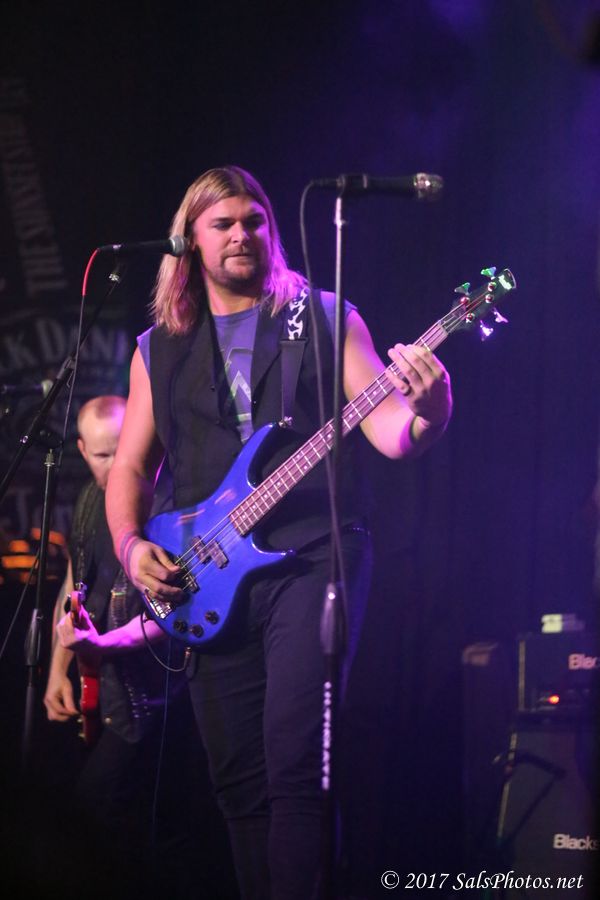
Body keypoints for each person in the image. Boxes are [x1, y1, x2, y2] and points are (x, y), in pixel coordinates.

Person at [104, 165, 453, 900]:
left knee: (297, 768)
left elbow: (391, 431)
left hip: (313, 558)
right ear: (188, 240)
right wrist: (132, 547)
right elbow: (129, 466)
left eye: (254, 220)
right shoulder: (157, 348)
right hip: (205, 576)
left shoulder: (324, 317)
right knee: (239, 784)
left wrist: (431, 411)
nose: (242, 235)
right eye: (222, 223)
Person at [43, 396, 205, 897]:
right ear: (81, 451)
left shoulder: (168, 502)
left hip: (156, 697)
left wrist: (104, 645)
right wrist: (58, 669)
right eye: (102, 455)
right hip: (106, 691)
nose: (116, 465)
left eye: (123, 450)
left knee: (108, 811)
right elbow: (75, 585)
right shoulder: (90, 502)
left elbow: (178, 610)